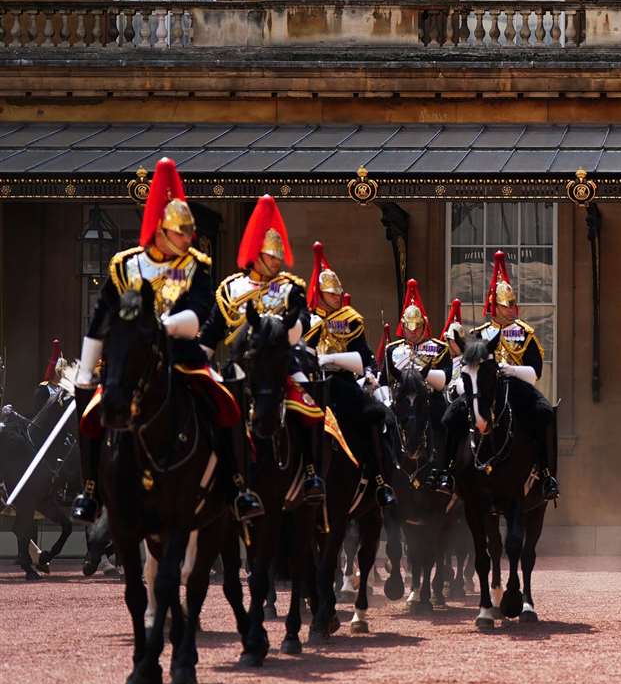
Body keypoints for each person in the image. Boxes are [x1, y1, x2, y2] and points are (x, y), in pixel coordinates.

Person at [70, 158, 262, 524]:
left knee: (226, 404)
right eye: (181, 232)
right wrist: (84, 370)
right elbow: (100, 320)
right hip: (130, 361)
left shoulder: (196, 265)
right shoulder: (124, 265)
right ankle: (91, 490)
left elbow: (198, 314)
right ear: (160, 229)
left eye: (189, 232)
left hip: (182, 357)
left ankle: (238, 487)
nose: (189, 238)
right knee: (92, 413)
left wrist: (160, 328)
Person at [201, 194, 320, 504]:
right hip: (242, 363)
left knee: (310, 401)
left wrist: (290, 326)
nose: (278, 262)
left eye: (280, 256)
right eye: (272, 256)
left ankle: (310, 472)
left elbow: (302, 324)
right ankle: (215, 474)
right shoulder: (231, 289)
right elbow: (212, 332)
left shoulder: (291, 287)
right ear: (257, 255)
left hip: (282, 362)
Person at [457, 251, 557, 500]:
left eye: (513, 304)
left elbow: (535, 372)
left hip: (517, 389)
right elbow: (466, 367)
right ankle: (449, 472)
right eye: (507, 305)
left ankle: (547, 475)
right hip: (486, 390)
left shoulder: (525, 333)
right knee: (451, 416)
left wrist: (510, 370)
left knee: (545, 413)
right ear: (494, 306)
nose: (512, 309)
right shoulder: (478, 334)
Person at [305, 242, 394, 507]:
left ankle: (380, 480)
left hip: (341, 382)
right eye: (331, 294)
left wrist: (367, 372)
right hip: (311, 382)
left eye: (337, 293)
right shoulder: (305, 317)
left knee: (373, 416)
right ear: (319, 294)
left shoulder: (350, 318)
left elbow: (363, 354)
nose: (337, 297)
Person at [380, 281, 451, 487]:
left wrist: (423, 375)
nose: (412, 331)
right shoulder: (392, 350)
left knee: (444, 421)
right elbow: (384, 380)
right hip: (401, 400)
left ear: (424, 325)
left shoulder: (439, 349)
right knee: (382, 426)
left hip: (429, 398)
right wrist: (386, 402)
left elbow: (445, 378)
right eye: (408, 327)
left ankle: (443, 470)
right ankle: (381, 473)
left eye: (416, 326)